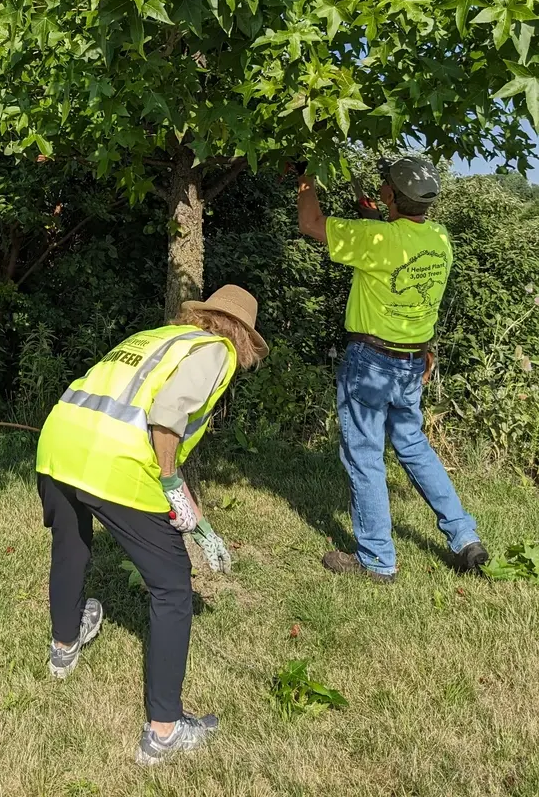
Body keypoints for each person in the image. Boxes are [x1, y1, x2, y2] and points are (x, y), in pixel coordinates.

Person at [35, 285, 267, 765]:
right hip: (115, 464)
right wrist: (170, 484)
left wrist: (191, 505)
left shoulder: (160, 337)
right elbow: (166, 418)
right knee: (173, 587)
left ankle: (64, 646)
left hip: (58, 446)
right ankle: (164, 730)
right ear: (242, 336)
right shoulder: (216, 352)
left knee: (73, 543)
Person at [296, 156, 488, 582]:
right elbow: (404, 256)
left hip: (370, 361)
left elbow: (311, 222)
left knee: (364, 455)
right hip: (413, 360)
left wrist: (306, 174)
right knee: (413, 445)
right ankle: (463, 535)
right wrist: (377, 213)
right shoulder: (439, 239)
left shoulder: (375, 238)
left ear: (388, 196)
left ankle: (377, 561)